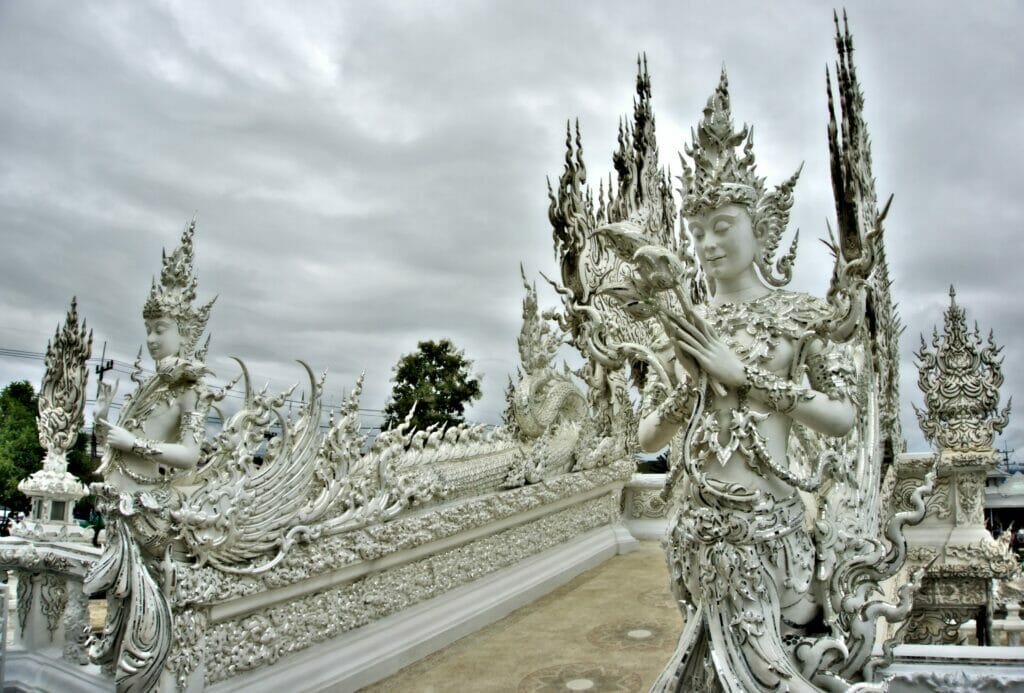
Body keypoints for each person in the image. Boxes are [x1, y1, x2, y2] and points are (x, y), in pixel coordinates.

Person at [638, 73, 859, 692]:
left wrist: (746, 380)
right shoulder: (688, 322)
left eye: (722, 225)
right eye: (697, 229)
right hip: (696, 535)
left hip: (769, 535)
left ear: (760, 226)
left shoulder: (800, 313)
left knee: (775, 674)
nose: (706, 243)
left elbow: (844, 418)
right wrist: (691, 386)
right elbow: (647, 435)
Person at [85, 221, 213, 692]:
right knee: (118, 601)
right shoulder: (150, 383)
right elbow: (118, 448)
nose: (153, 338)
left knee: (144, 598)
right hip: (125, 504)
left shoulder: (191, 388)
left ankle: (147, 673)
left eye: (162, 329)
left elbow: (191, 455)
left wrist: (132, 444)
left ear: (185, 332)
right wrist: (102, 422)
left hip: (151, 511)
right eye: (149, 330)